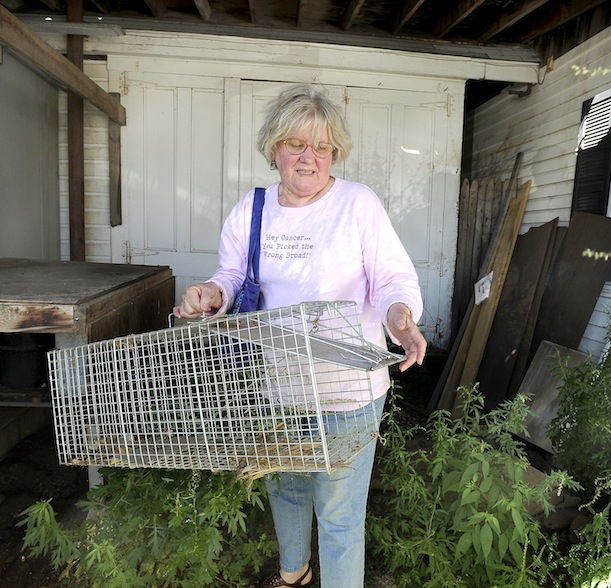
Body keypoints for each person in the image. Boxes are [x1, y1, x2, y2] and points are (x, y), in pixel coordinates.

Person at [173, 83, 426, 588]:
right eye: (297, 144)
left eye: (323, 147)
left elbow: (394, 279)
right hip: (279, 384)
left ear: (335, 153)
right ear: (275, 148)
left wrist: (401, 317)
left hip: (346, 392)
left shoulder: (358, 204)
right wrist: (210, 293)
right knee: (286, 488)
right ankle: (294, 575)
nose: (309, 158)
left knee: (338, 513)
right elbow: (234, 275)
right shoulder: (254, 208)